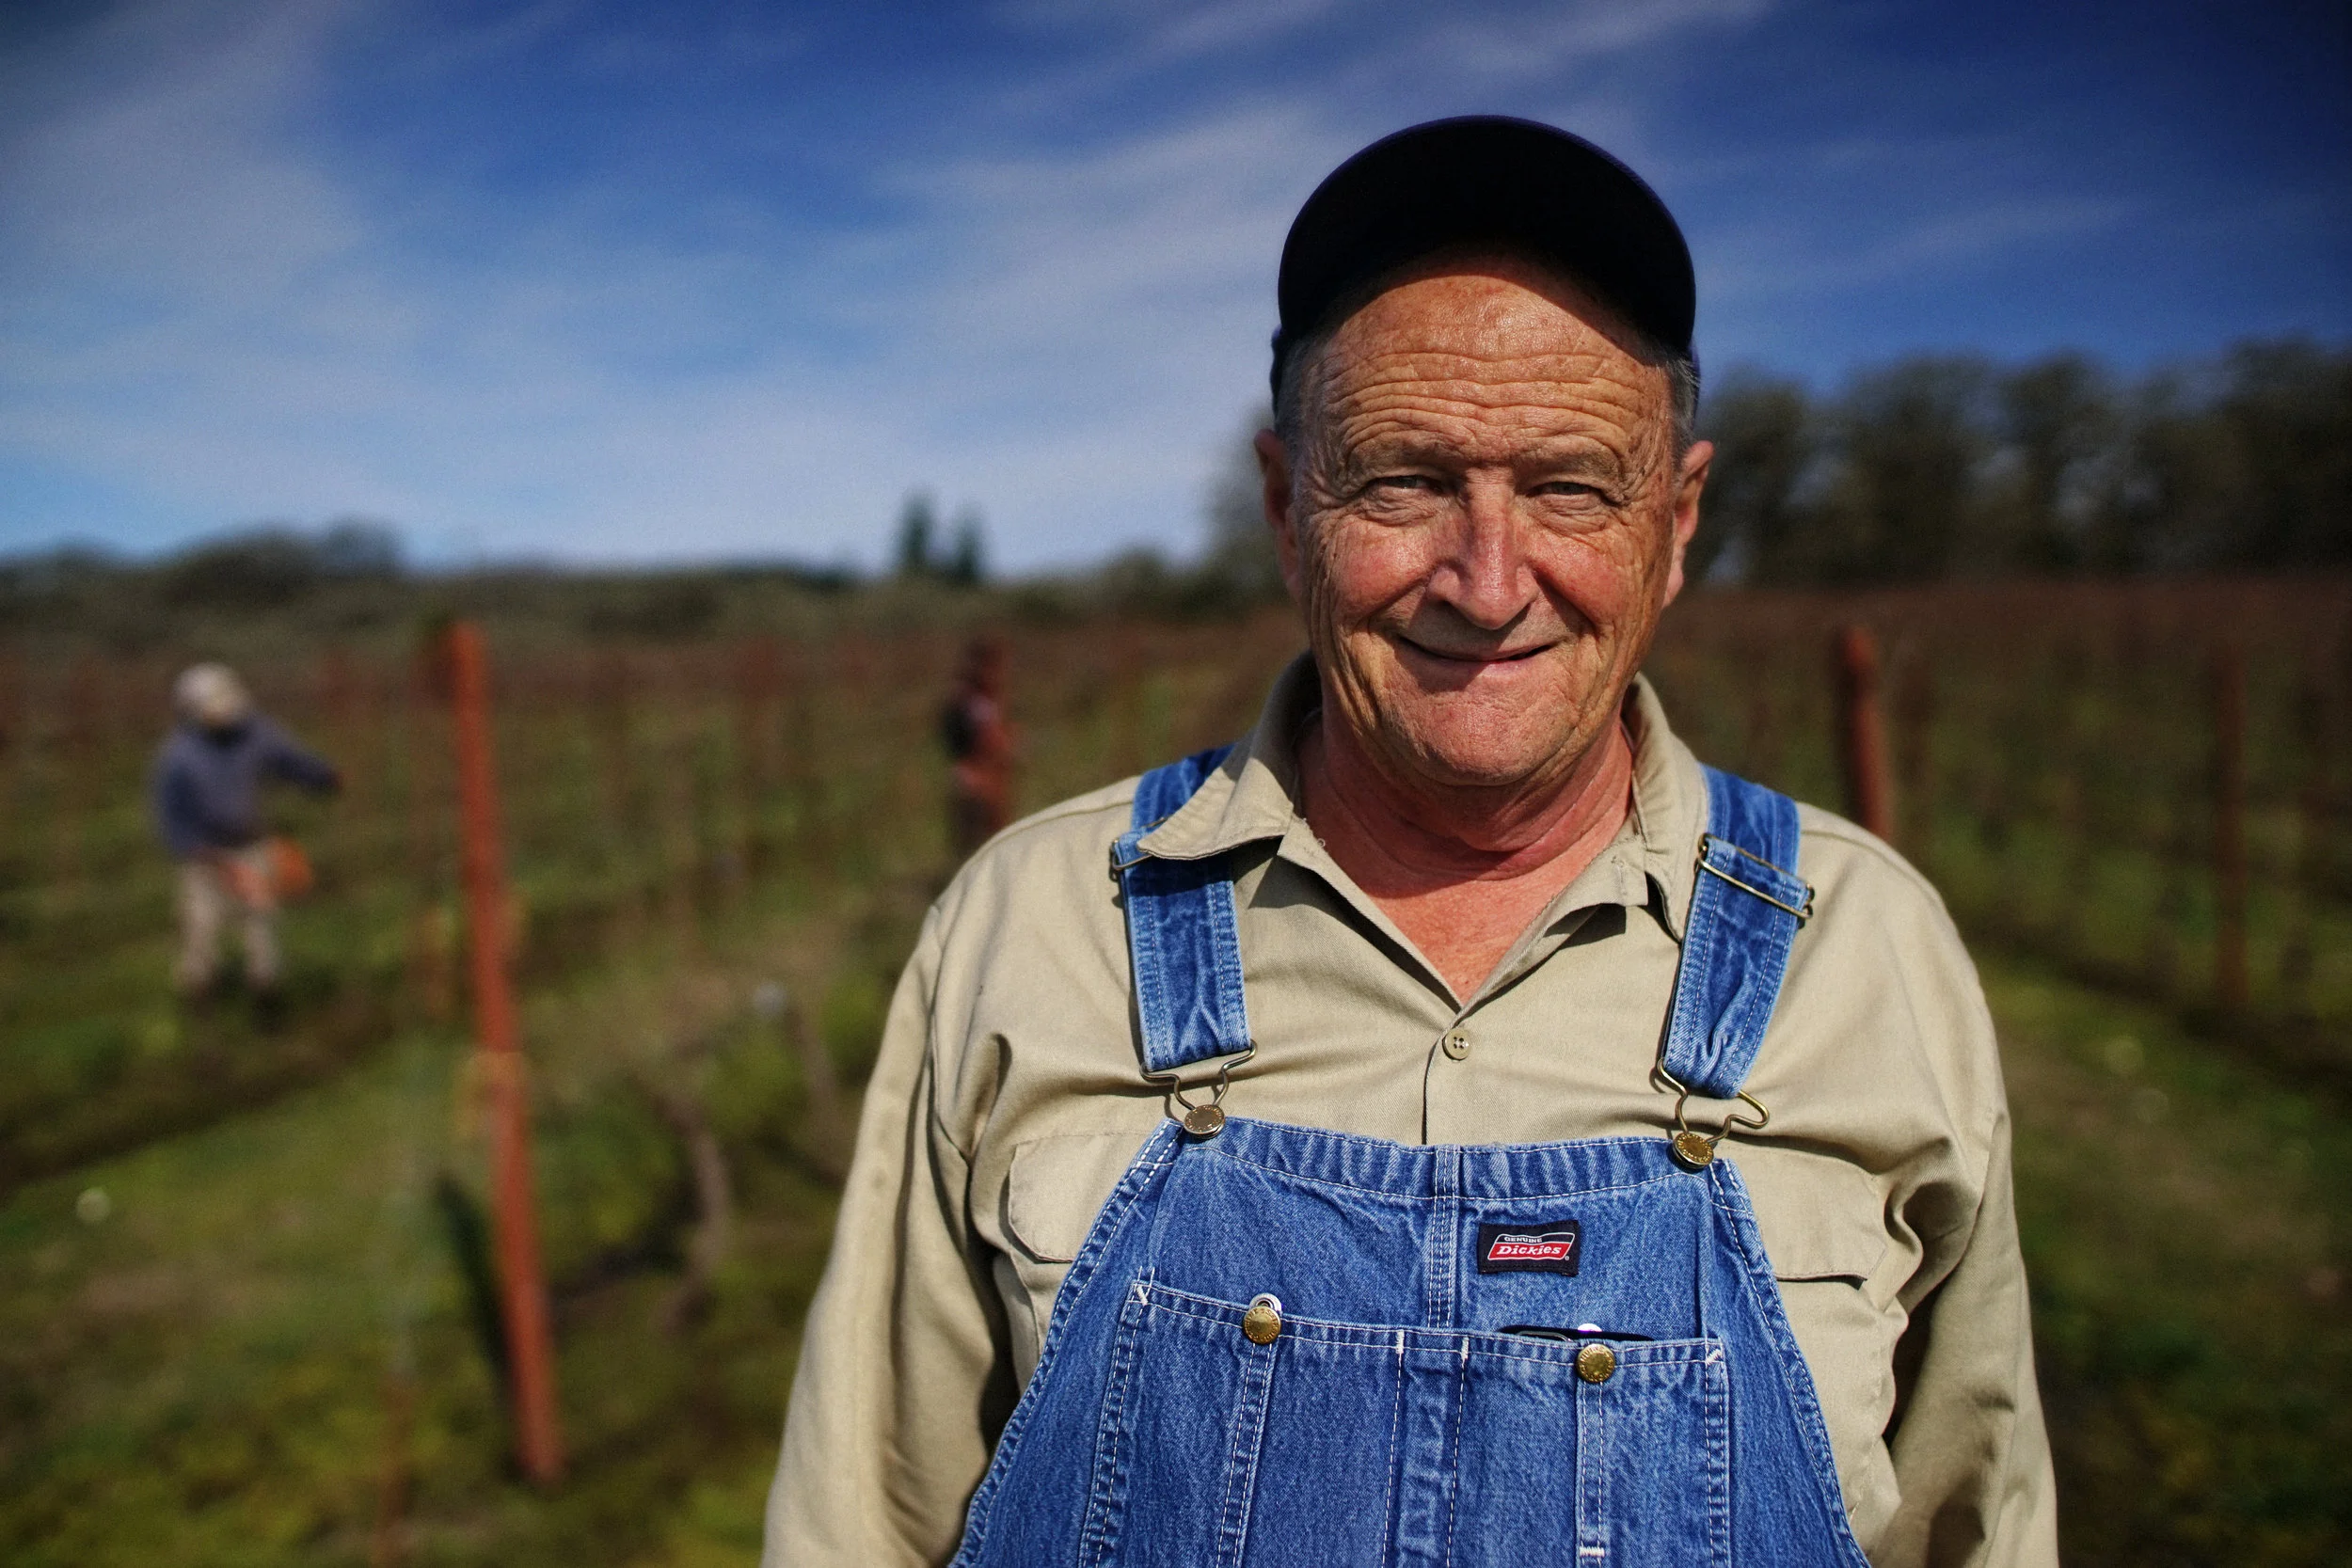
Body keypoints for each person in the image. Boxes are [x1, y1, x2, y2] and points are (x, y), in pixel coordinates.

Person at [764, 119, 2055, 1567]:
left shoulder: (1864, 944)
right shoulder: (1038, 921)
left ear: (1677, 522)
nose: (1488, 580)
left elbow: (1977, 1525)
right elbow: (857, 1524)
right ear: (1283, 507)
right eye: (1404, 481)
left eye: (1570, 484)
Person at [152, 662, 341, 999]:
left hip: (252, 848)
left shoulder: (254, 734)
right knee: (201, 929)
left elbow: (288, 760)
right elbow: (173, 820)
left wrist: (322, 777)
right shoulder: (177, 758)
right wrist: (209, 857)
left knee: (261, 925)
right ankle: (200, 998)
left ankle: (266, 995)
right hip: (205, 860)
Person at [939, 635, 1015, 858]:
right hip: (980, 784)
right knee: (987, 849)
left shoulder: (975, 700)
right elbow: (989, 743)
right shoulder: (976, 704)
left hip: (972, 780)